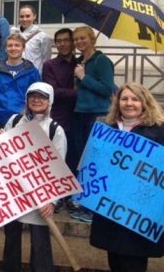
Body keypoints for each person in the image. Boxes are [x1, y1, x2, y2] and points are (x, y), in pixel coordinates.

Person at [90, 82, 164, 272]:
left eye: (135, 99)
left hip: (139, 214)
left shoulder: (159, 130)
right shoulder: (107, 129)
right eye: (124, 99)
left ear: (144, 103)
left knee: (133, 263)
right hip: (111, 211)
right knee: (115, 261)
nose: (129, 103)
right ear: (117, 103)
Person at [0, 82, 66, 272]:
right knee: (11, 239)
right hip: (15, 192)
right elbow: (2, 157)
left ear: (49, 101)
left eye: (42, 96)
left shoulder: (55, 130)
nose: (36, 100)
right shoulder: (14, 120)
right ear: (27, 98)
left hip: (41, 196)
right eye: (32, 95)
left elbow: (59, 168)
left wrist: (52, 201)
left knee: (40, 242)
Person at [69, 26, 114, 222]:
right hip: (79, 114)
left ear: (91, 39)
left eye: (82, 38)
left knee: (94, 161)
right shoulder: (80, 62)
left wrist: (83, 77)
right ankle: (84, 202)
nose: (79, 42)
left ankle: (92, 208)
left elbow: (106, 89)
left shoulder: (102, 61)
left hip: (96, 115)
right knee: (82, 158)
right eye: (76, 39)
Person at [0, 34, 41, 140]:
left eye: (17, 45)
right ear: (5, 49)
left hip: (23, 120)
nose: (13, 48)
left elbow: (37, 96)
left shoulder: (32, 71)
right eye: (10, 46)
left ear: (23, 48)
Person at [42, 28, 77, 163]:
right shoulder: (50, 65)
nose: (63, 44)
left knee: (76, 157)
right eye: (59, 41)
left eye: (66, 40)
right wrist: (78, 94)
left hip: (79, 117)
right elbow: (53, 91)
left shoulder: (80, 63)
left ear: (73, 43)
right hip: (60, 117)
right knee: (57, 159)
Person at [10, 5, 51, 73]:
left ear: (34, 16)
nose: (24, 19)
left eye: (28, 16)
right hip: (17, 74)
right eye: (22, 16)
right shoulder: (14, 34)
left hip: (34, 75)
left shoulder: (42, 36)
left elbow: (46, 59)